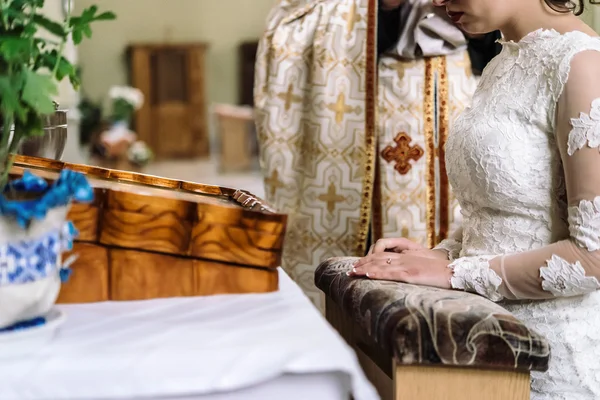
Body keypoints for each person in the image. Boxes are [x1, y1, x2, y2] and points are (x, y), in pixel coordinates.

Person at [350, 0, 600, 397]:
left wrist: (456, 274)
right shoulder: (506, 56)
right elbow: (514, 208)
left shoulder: (582, 64)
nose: (435, 1)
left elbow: (594, 258)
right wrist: (445, 253)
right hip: (480, 341)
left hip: (548, 360)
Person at [254, 0, 499, 310]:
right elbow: (291, 17)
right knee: (364, 253)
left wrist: (476, 23)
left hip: (454, 91)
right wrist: (383, 8)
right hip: (359, 108)